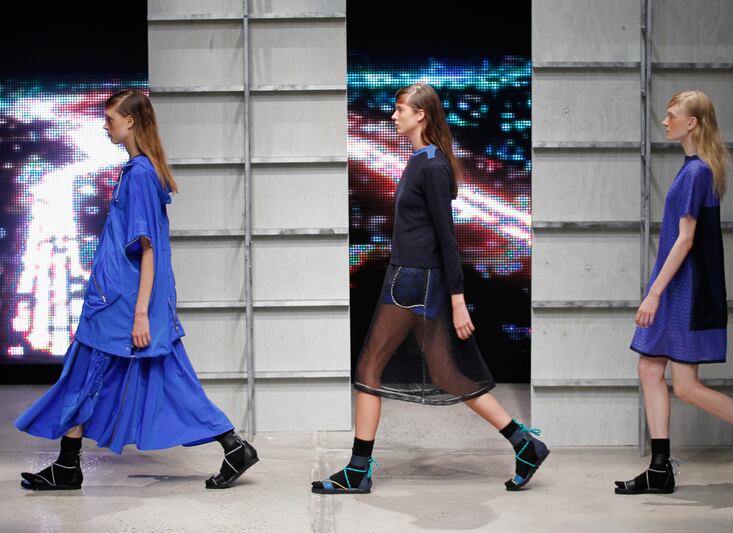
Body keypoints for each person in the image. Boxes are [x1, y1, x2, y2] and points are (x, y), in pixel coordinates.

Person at [15, 89, 258, 491]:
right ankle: (233, 446)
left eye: (110, 119)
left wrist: (140, 313)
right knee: (159, 377)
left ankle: (68, 465)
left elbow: (149, 249)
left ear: (130, 122)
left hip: (121, 303)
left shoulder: (141, 174)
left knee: (91, 374)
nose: (105, 126)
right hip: (117, 298)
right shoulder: (139, 171)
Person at [312, 83, 548, 494]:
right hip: (412, 278)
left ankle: (357, 470)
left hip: (413, 280)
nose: (393, 116)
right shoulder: (422, 160)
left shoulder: (432, 165)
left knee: (368, 369)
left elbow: (446, 237)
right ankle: (524, 444)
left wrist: (458, 301)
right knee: (445, 373)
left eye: (400, 109)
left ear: (420, 114)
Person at [616, 90, 733, 495]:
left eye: (672, 115)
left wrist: (654, 294)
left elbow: (685, 241)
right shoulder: (695, 169)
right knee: (650, 369)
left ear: (692, 123)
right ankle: (660, 469)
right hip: (680, 285)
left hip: (686, 289)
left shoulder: (696, 173)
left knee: (685, 386)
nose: (665, 121)